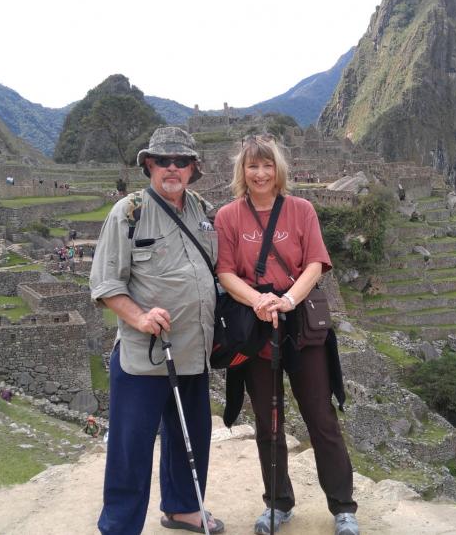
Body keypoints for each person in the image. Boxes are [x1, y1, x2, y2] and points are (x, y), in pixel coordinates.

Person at [214, 134, 359, 535]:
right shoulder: (229, 217)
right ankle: (277, 504)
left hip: (299, 323)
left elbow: (315, 262)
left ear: (279, 170)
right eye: (252, 166)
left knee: (320, 416)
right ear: (241, 172)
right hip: (255, 325)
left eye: (267, 165)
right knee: (268, 420)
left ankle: (343, 507)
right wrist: (259, 301)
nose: (260, 174)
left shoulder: (301, 210)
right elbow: (225, 272)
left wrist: (289, 300)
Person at [90, 126, 223, 535]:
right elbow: (106, 283)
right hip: (145, 355)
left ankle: (182, 508)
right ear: (148, 164)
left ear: (192, 168)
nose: (172, 168)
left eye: (181, 161)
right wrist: (140, 318)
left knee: (191, 436)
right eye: (163, 160)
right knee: (131, 447)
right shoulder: (128, 213)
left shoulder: (203, 211)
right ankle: (119, 526)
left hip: (193, 351)